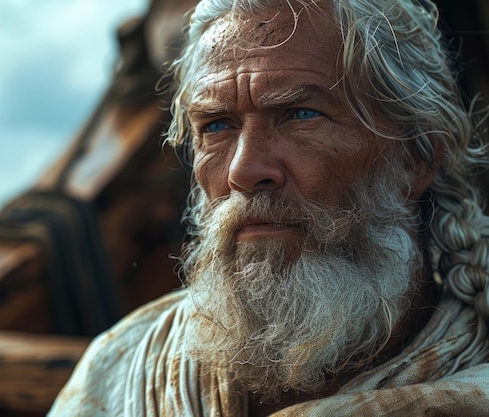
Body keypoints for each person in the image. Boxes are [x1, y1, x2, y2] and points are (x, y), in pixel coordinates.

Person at [48, 0, 489, 415]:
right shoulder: (121, 370)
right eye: (217, 125)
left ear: (416, 158)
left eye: (301, 114)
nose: (244, 170)